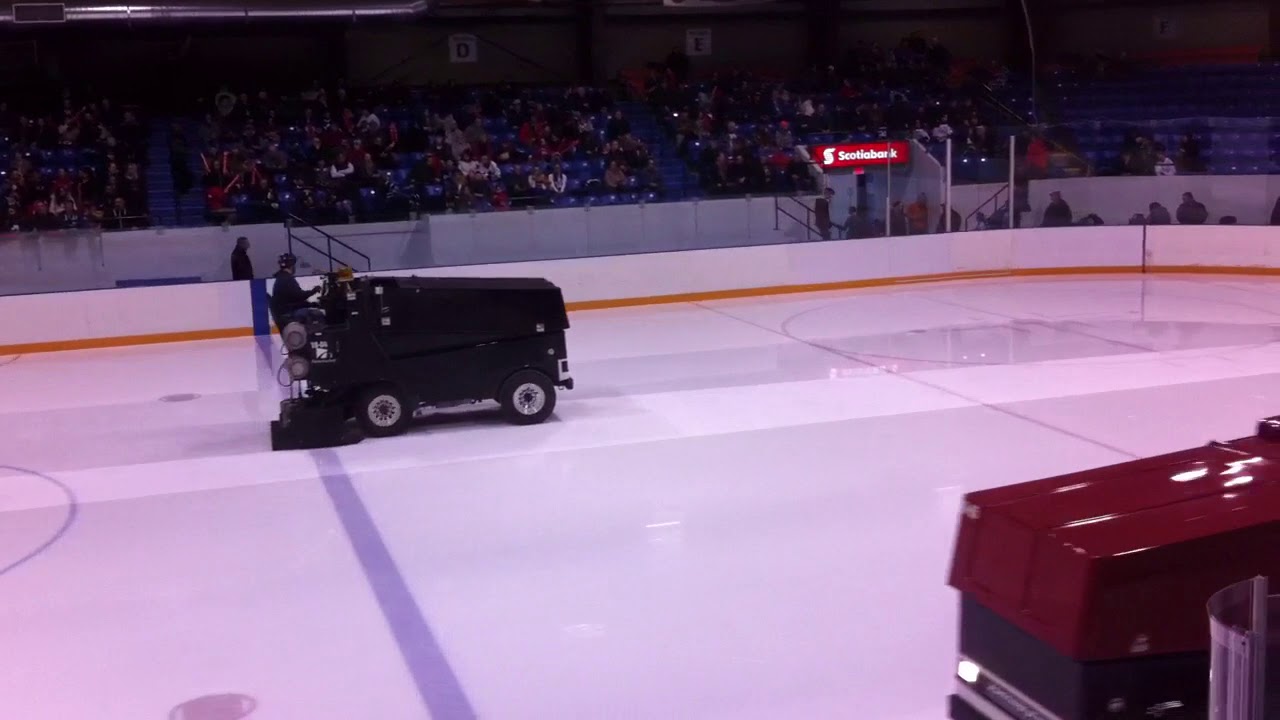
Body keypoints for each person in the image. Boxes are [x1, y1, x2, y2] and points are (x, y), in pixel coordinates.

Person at [270, 253, 323, 325]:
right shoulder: (287, 279)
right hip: (288, 312)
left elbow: (294, 298)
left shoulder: (282, 277)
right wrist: (313, 291)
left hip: (285, 310)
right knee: (317, 314)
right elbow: (299, 296)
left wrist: (311, 304)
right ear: (292, 266)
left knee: (312, 309)